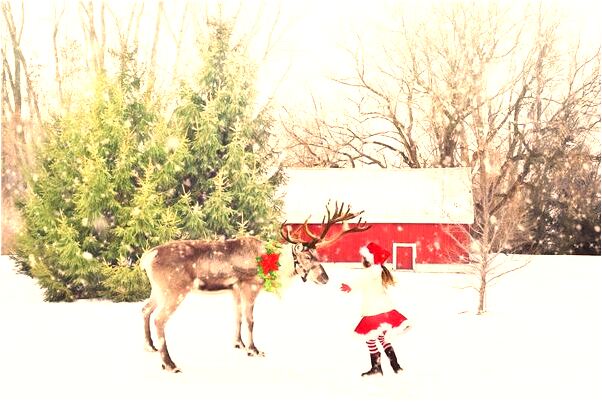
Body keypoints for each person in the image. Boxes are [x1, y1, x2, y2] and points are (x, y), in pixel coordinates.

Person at [340, 242, 410, 376]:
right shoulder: (378, 269)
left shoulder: (371, 271)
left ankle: (377, 367)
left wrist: (350, 286)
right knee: (382, 339)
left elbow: (361, 281)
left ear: (368, 259)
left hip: (374, 311)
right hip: (383, 309)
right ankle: (396, 366)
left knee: (370, 338)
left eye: (363, 257)